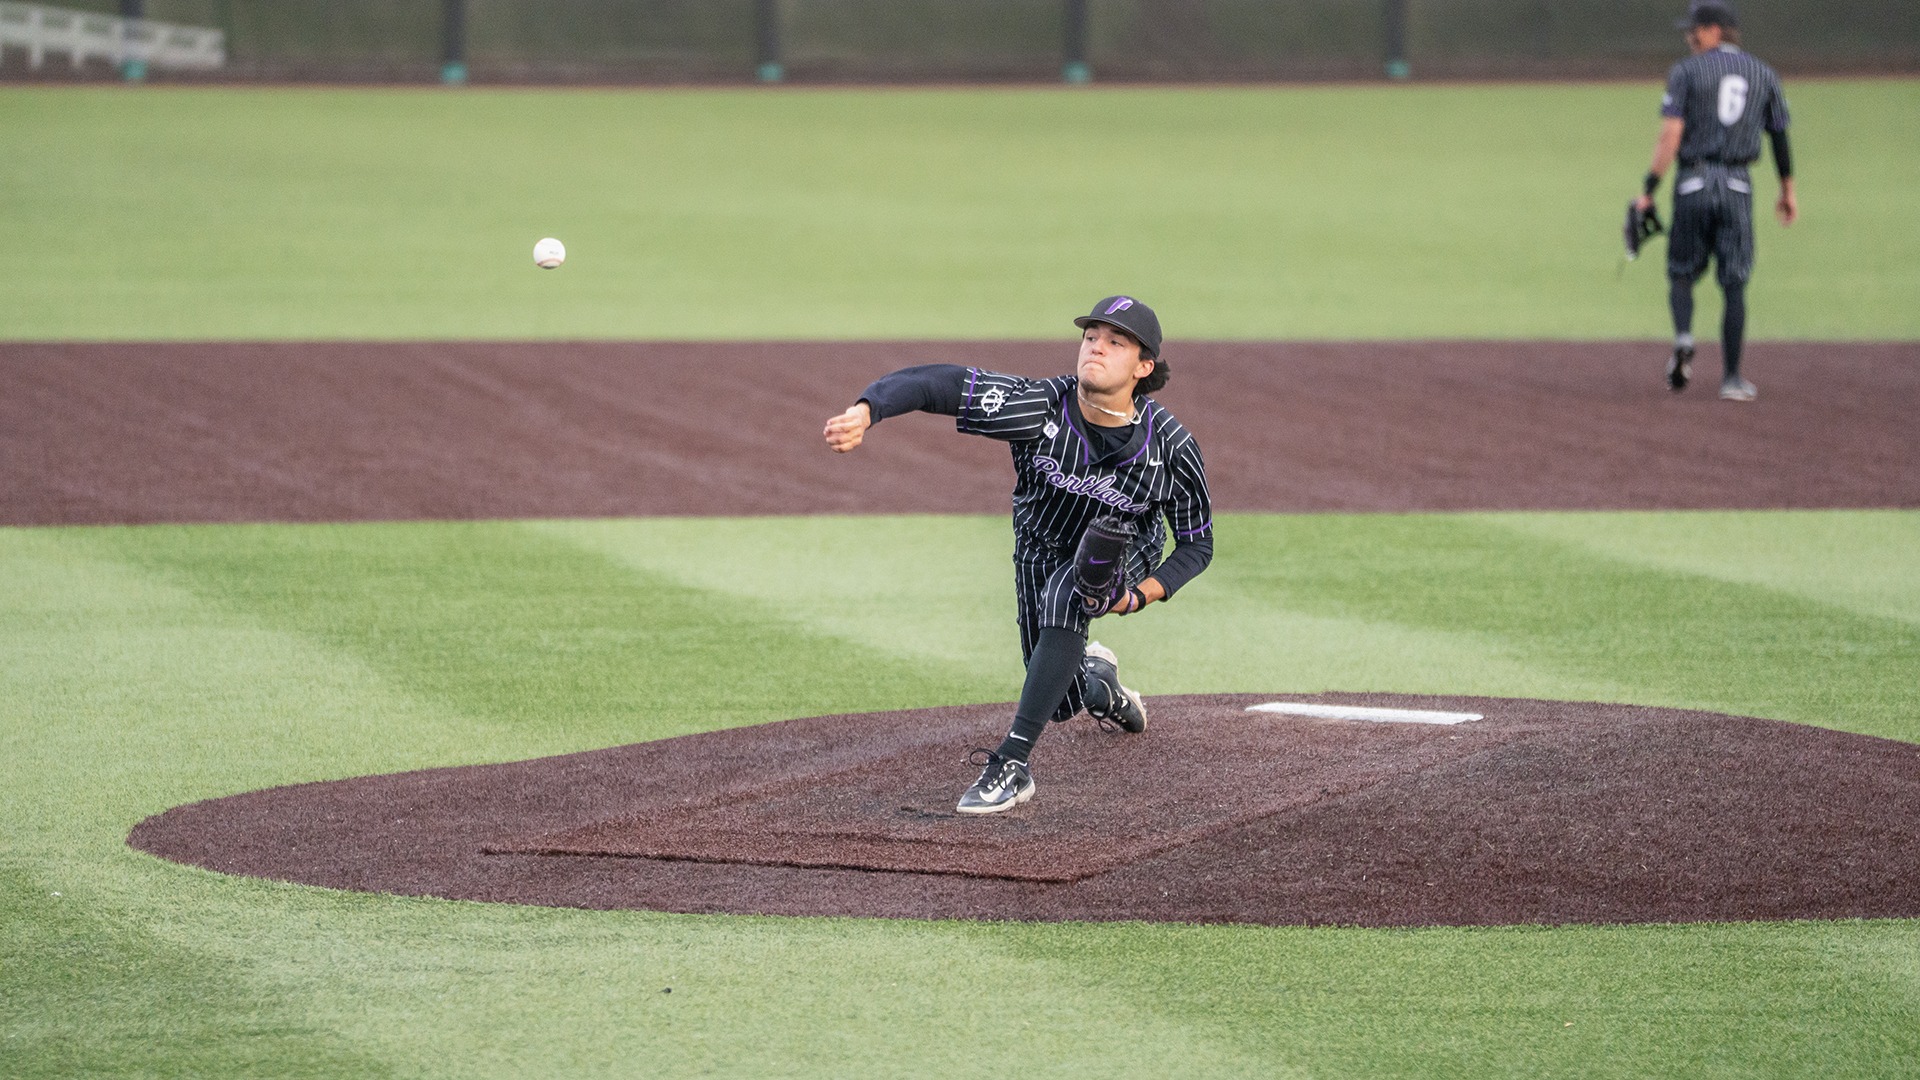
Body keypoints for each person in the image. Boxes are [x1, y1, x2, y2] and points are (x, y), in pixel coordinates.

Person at [822, 296, 1213, 814]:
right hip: (1037, 546)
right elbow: (937, 383)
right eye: (1091, 336)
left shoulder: (1169, 448)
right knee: (1059, 697)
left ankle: (1012, 763)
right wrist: (867, 410)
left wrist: (1137, 597)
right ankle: (1101, 689)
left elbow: (1197, 543)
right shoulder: (1041, 406)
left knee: (1068, 593)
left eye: (1115, 342)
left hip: (1121, 554)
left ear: (1144, 367)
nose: (1096, 347)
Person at [1633, 0, 1796, 402]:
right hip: (1739, 185)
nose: (1690, 37)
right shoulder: (1764, 73)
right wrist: (1787, 189)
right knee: (1735, 282)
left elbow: (1671, 135)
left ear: (1714, 31)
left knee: (1682, 272)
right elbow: (1779, 135)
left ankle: (1685, 339)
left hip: (1692, 182)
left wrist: (1649, 188)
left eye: (1696, 29)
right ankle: (1733, 379)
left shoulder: (1686, 72)